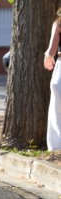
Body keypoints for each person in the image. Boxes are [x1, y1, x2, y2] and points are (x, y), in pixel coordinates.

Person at [44, 8, 61, 151]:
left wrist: (48, 57)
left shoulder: (59, 22)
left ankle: (57, 145)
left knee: (57, 110)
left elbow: (51, 49)